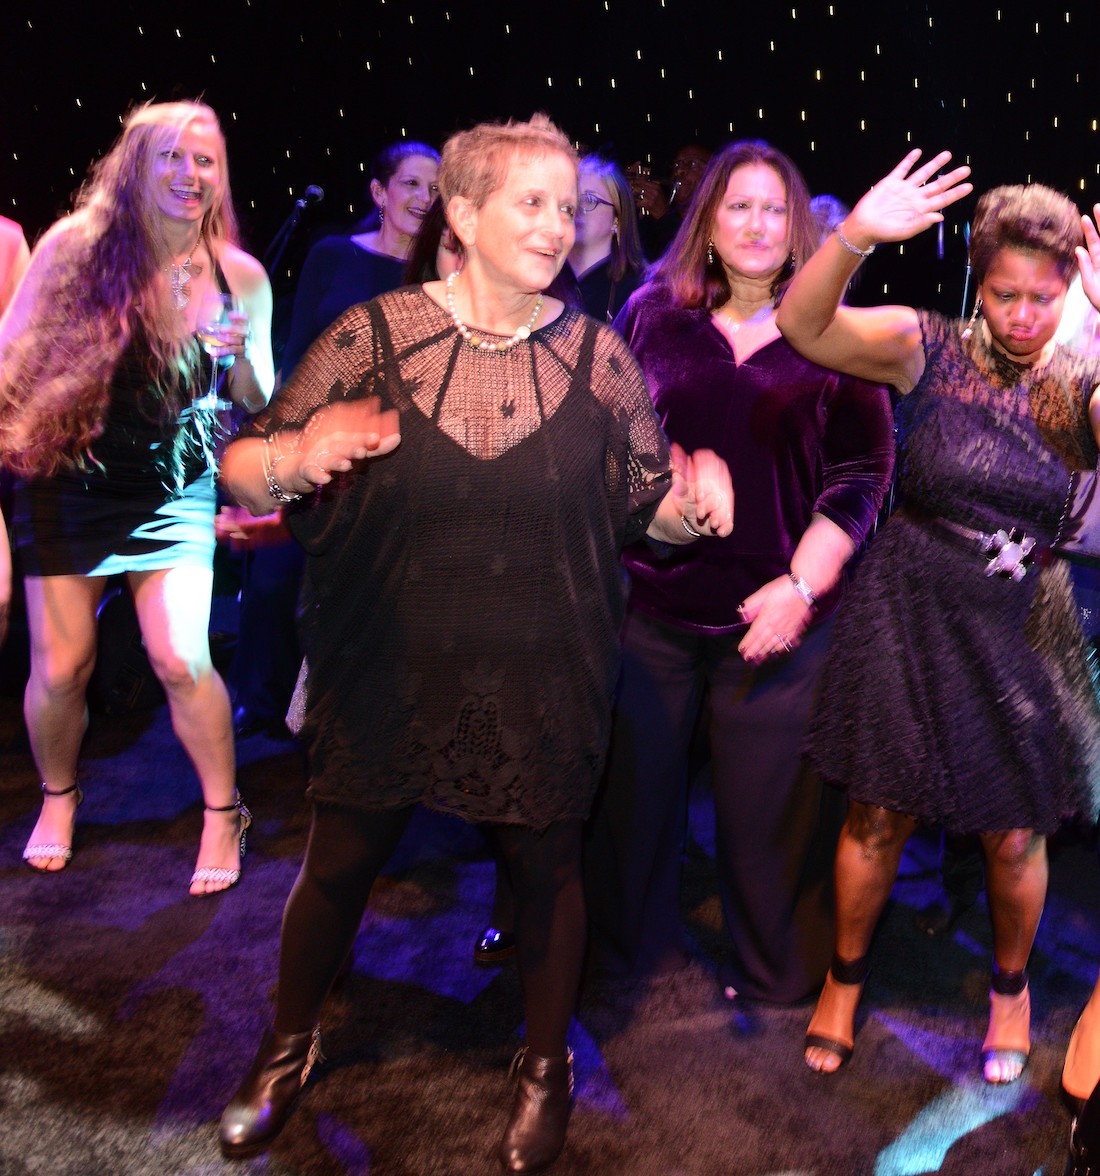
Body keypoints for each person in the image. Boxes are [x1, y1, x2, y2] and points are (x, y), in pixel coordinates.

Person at [215, 114, 733, 1172]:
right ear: (461, 212)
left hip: (545, 669)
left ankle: (545, 1064)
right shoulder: (374, 336)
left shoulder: (599, 357)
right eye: (529, 203)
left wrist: (696, 506)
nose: (557, 226)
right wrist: (298, 455)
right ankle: (286, 1041)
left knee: (546, 871)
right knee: (341, 861)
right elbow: (245, 464)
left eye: (567, 206)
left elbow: (643, 508)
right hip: (387, 664)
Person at [776, 150, 1100, 1083]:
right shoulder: (925, 343)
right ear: (978, 278)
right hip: (908, 605)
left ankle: (1009, 987)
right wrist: (853, 237)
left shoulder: (1080, 376)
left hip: (1020, 622)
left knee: (1014, 831)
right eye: (1005, 294)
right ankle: (843, 978)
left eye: (1043, 297)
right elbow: (804, 327)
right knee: (876, 813)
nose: (1024, 316)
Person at [584, 140, 895, 1002]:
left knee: (768, 823)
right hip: (652, 602)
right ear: (709, 225)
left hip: (783, 616)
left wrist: (801, 590)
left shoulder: (835, 331)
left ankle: (774, 973)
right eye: (738, 207)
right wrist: (666, 477)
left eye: (774, 208)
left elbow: (864, 477)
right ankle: (620, 959)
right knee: (633, 803)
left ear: (799, 226)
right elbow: (608, 440)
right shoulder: (650, 316)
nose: (757, 225)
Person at [0, 101, 274, 893]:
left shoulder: (238, 274)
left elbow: (259, 393)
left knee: (180, 659)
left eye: (206, 161)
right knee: (62, 670)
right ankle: (59, 796)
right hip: (69, 475)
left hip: (171, 485)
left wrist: (235, 352)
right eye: (172, 158)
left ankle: (224, 812)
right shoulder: (76, 248)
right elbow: (13, 353)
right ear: (136, 165)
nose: (190, 175)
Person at [226, 140, 441, 740]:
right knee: (273, 572)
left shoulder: (438, 271)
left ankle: (336, 717)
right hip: (313, 438)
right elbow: (297, 354)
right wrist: (276, 433)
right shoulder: (331, 255)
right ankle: (259, 700)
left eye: (433, 189)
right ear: (379, 192)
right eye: (411, 185)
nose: (423, 199)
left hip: (386, 450)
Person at [563, 154, 646, 323]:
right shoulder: (542, 281)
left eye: (589, 200)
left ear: (617, 219)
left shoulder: (639, 293)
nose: (576, 208)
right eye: (571, 198)